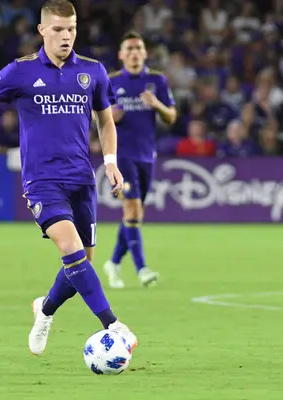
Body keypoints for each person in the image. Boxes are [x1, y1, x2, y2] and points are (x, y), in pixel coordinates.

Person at [0, 0, 137, 356]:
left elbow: (106, 120)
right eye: (59, 30)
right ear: (42, 30)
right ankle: (113, 324)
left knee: (83, 265)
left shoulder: (93, 72)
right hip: (41, 181)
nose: (66, 36)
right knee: (70, 248)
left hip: (81, 179)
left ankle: (44, 310)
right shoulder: (19, 71)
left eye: (72, 29)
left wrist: (110, 161)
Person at [103, 31, 177, 289]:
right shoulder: (110, 82)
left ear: (145, 53)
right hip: (121, 156)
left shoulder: (157, 81)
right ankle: (142, 269)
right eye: (129, 49)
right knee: (133, 209)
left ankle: (113, 262)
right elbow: (93, 115)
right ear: (121, 55)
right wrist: (108, 116)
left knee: (135, 213)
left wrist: (156, 104)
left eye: (139, 48)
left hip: (147, 155)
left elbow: (171, 117)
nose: (134, 53)